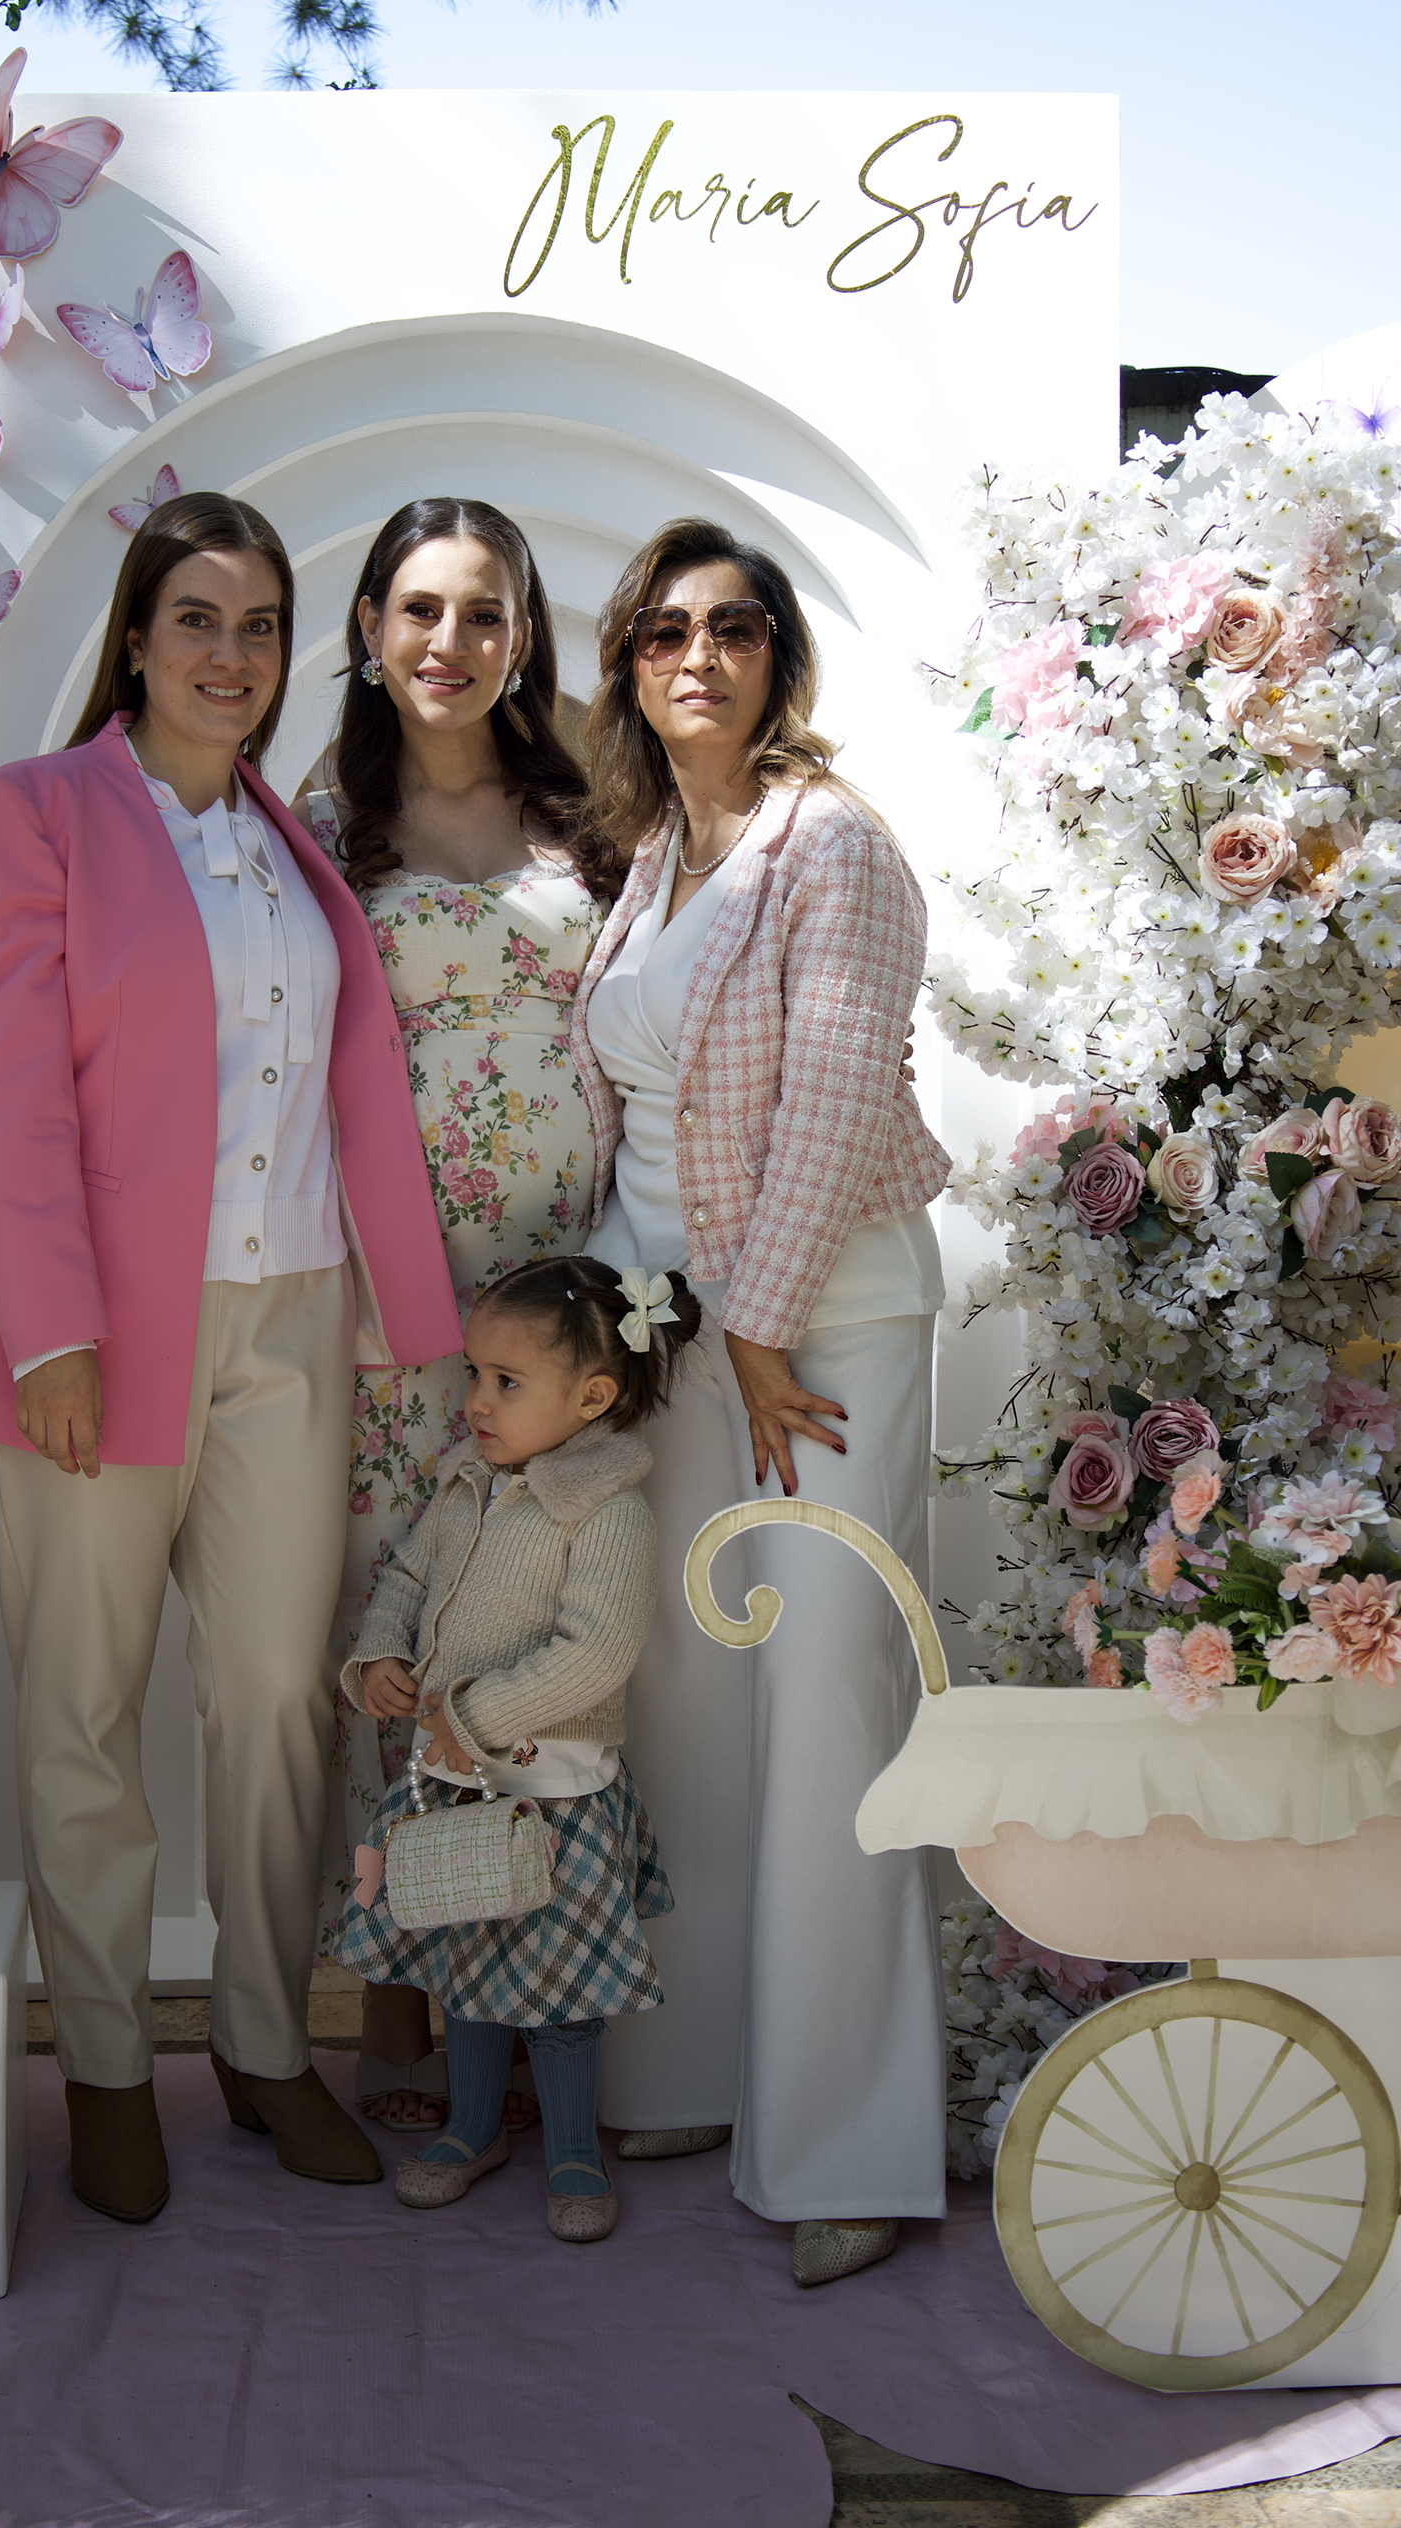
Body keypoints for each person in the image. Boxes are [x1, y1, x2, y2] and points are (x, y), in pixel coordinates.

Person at [0, 493, 462, 2225]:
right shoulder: (33, 813)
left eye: (259, 623)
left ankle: (269, 2045)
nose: (230, 653)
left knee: (279, 1697)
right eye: (196, 618)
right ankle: (104, 2067)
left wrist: (405, 1320)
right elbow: (10, 1091)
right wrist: (51, 1333)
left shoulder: (294, 844)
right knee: (81, 1702)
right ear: (135, 639)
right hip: (98, 1322)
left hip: (293, 1315)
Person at [569, 514, 952, 2288]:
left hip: (822, 1333)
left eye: (734, 628)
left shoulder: (834, 844)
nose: (698, 657)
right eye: (664, 632)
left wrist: (758, 1326)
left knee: (827, 1697)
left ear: (780, 658)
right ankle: (697, 2068)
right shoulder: (658, 848)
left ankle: (848, 2139)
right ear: (631, 666)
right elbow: (645, 1123)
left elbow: (834, 1103)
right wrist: (634, 1315)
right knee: (689, 1699)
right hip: (675, 1331)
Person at [297, 497, 618, 2132]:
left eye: (483, 612)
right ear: (369, 628)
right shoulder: (319, 823)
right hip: (397, 1315)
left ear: (522, 637)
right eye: (419, 608)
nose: (449, 640)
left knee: (554, 1646)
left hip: (569, 1302)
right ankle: (402, 2008)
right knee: (410, 1644)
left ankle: (549, 1996)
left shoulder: (594, 811)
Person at [335, 1254, 699, 2240]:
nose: (476, 1402)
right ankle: (471, 2127)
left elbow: (598, 1652)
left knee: (561, 1992)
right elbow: (408, 1579)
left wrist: (476, 1714)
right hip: (452, 1790)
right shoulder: (470, 1484)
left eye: (505, 1381)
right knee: (468, 1974)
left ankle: (572, 2148)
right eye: (474, 1374)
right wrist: (380, 1653)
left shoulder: (606, 1510)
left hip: (553, 1796)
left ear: (592, 1397)